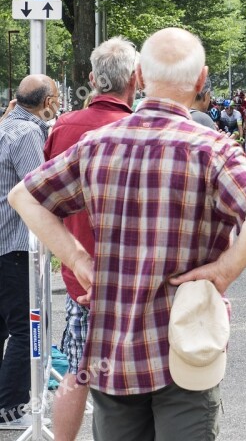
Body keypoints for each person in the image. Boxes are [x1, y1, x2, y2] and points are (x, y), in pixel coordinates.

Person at [9, 28, 246, 440]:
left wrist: (78, 259)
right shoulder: (213, 149)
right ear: (202, 78)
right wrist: (224, 271)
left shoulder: (97, 144)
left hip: (113, 347)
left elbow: (23, 196)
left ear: (138, 75)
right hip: (187, 343)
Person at [42, 38, 137, 440]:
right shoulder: (139, 128)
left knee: (79, 372)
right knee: (138, 380)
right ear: (135, 79)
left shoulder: (63, 127)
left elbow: (42, 199)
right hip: (135, 277)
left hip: (81, 271)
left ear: (93, 79)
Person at [0, 74, 59, 429]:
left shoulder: (6, 126)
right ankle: (10, 408)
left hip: (4, 242)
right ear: (48, 100)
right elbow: (37, 190)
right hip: (16, 243)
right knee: (27, 327)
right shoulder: (26, 134)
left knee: (5, 327)